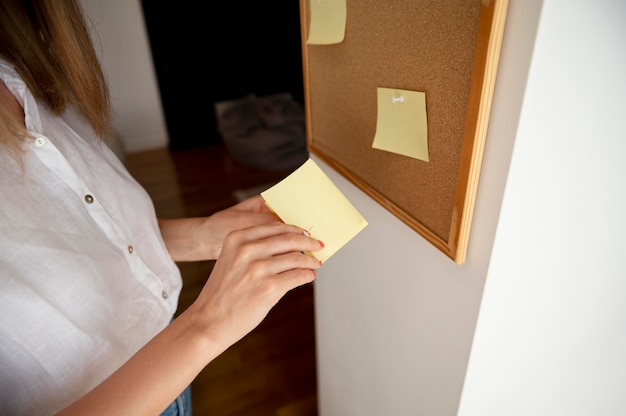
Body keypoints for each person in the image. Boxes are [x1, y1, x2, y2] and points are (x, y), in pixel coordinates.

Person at [0, 1, 324, 415]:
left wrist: (204, 235)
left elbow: (94, 233)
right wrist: (206, 323)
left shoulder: (24, 70)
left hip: (170, 362)